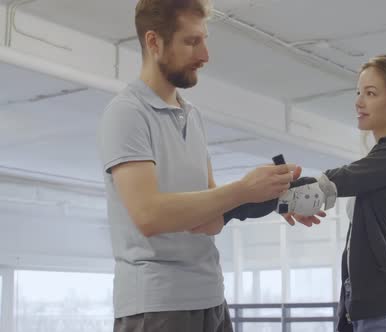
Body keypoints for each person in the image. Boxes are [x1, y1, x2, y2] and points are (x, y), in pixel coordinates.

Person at [96, 1, 299, 331]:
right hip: (158, 306)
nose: (205, 55)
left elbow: (210, 219)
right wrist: (244, 188)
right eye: (192, 42)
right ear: (154, 42)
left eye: (204, 40)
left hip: (211, 300)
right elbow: (149, 215)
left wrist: (275, 196)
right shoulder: (127, 113)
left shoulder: (192, 115)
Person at [284, 54, 386, 332]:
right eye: (359, 92)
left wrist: (259, 193)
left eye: (371, 93)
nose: (359, 102)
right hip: (374, 313)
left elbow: (334, 182)